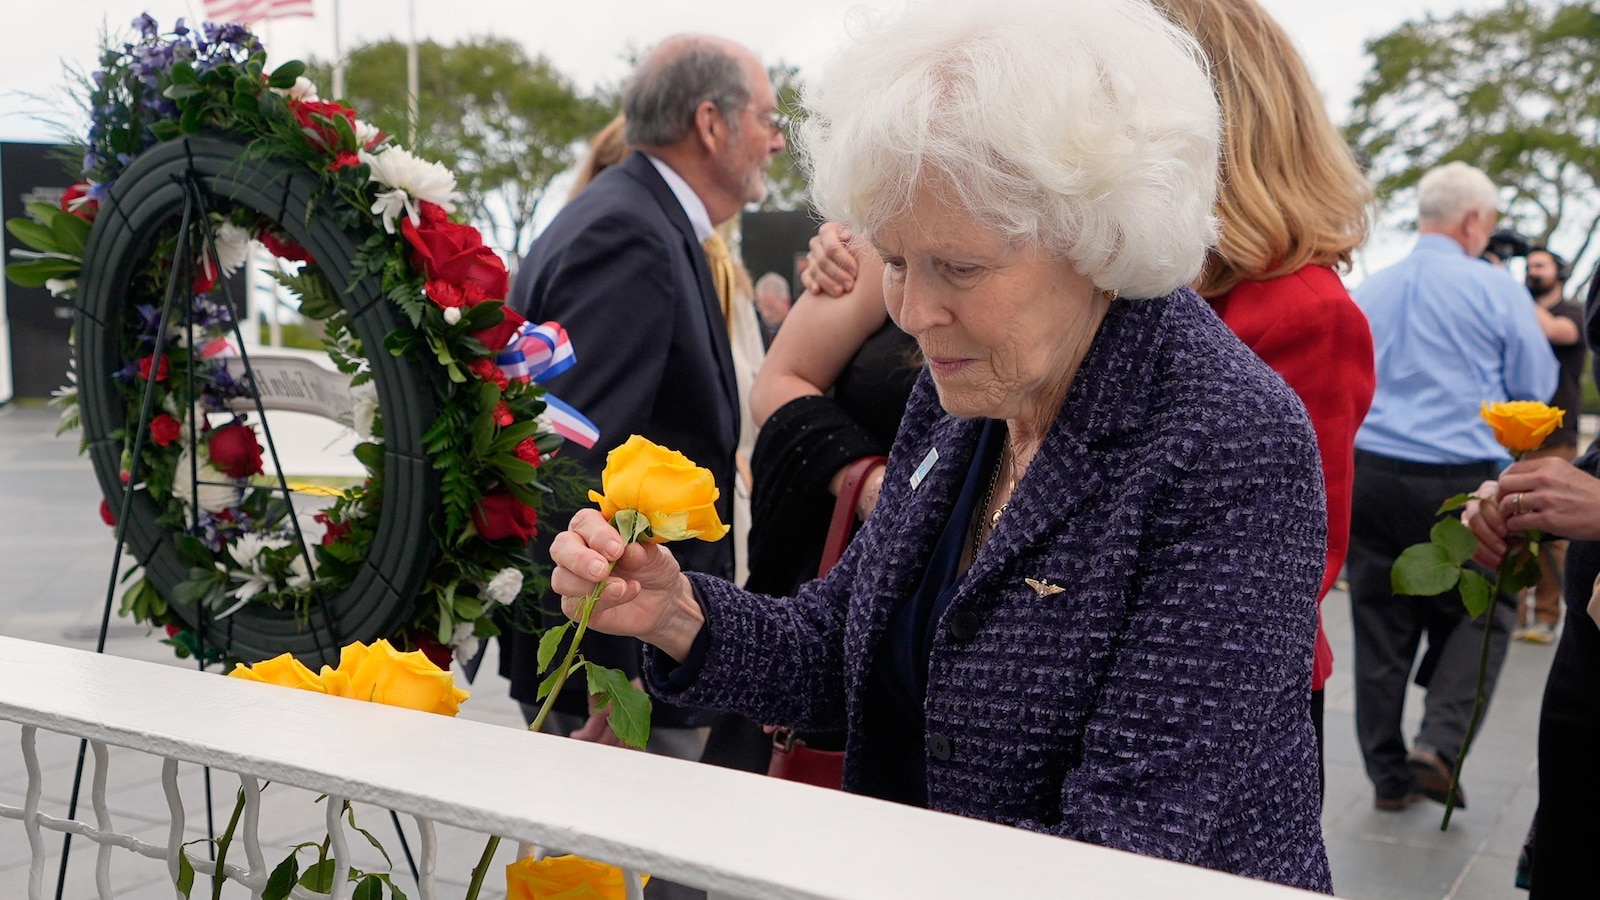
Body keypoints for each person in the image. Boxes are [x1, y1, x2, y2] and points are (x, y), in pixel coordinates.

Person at [546, 0, 1333, 889]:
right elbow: (842, 643)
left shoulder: (1229, 441)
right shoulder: (968, 388)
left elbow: (1126, 844)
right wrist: (680, 614)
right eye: (894, 260)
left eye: (959, 267)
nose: (915, 312)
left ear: (1099, 237)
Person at [501, 34, 785, 758]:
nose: (777, 142)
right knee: (635, 875)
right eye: (767, 119)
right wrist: (607, 674)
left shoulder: (641, 219)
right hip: (622, 672)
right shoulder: (630, 232)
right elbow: (571, 458)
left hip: (639, 642)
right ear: (711, 124)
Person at [1348, 161, 1558, 812]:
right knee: (1483, 607)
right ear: (1473, 220)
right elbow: (1537, 383)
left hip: (1373, 471)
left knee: (1378, 619)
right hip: (1462, 479)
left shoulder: (1370, 287)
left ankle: (1387, 778)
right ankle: (1437, 746)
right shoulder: (1495, 291)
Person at [1515, 247, 1584, 644]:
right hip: (1517, 437)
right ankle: (1516, 614)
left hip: (1556, 438)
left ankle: (1546, 615)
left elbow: (1559, 332)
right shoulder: (1522, 311)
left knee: (1552, 533)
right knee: (1516, 529)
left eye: (1539, 266)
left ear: (1559, 272)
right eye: (1527, 267)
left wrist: (1515, 297)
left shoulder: (1569, 311)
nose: (1531, 272)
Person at [752, 271, 791, 345]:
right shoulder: (755, 334)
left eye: (771, 308)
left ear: (786, 302)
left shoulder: (799, 331)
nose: (766, 314)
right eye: (762, 308)